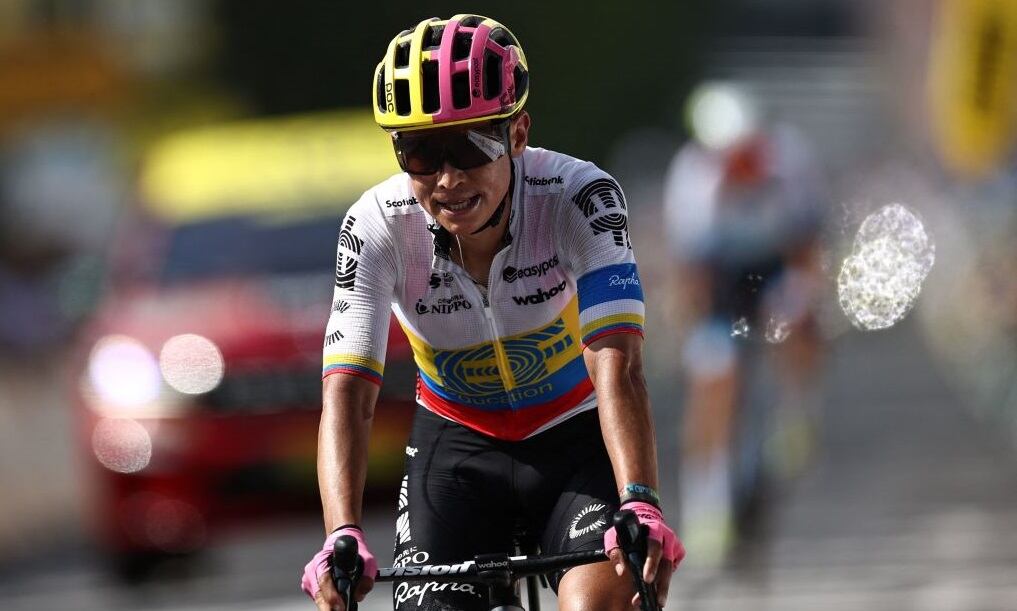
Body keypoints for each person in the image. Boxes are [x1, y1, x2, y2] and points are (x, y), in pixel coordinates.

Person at [300, 14, 683, 611]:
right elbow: (347, 391)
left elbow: (620, 364)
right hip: (456, 449)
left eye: (472, 145)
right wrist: (341, 534)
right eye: (422, 153)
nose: (448, 179)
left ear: (518, 133)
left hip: (573, 442)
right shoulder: (376, 226)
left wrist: (639, 500)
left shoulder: (580, 197)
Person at [663, 82, 825, 567]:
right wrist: (707, 341)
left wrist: (800, 305)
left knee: (798, 326)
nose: (742, 165)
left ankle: (795, 417)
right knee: (716, 383)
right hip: (723, 283)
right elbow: (692, 277)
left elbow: (808, 248)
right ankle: (709, 506)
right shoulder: (692, 181)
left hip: (775, 268)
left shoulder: (791, 162)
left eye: (749, 152)